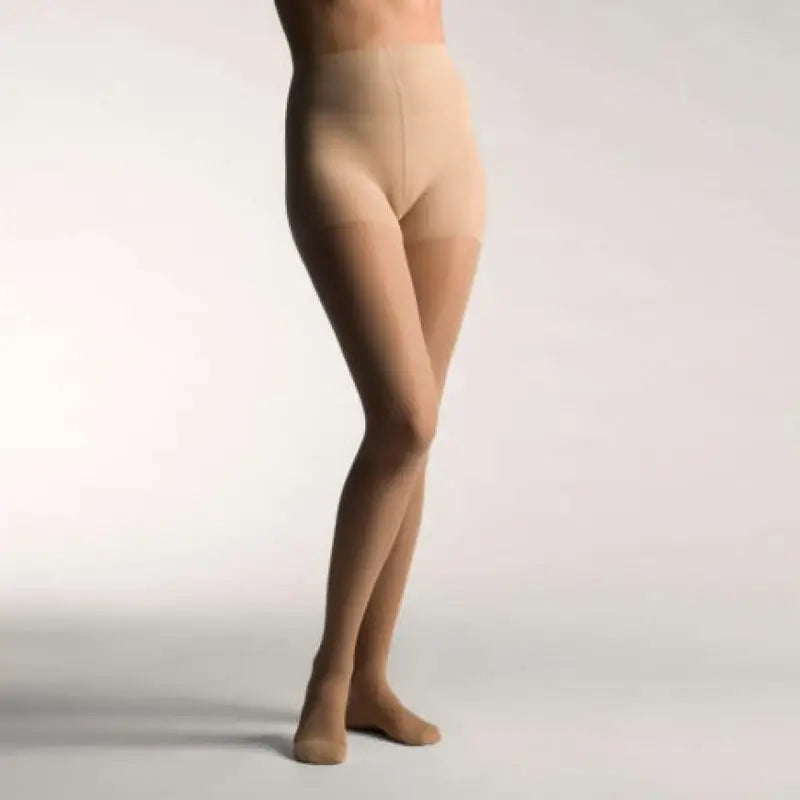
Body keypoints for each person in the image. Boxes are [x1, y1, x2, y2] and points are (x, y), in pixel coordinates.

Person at [273, 0, 487, 765]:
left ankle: (370, 681)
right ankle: (329, 678)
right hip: (340, 139)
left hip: (446, 145)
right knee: (407, 419)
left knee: (413, 436)